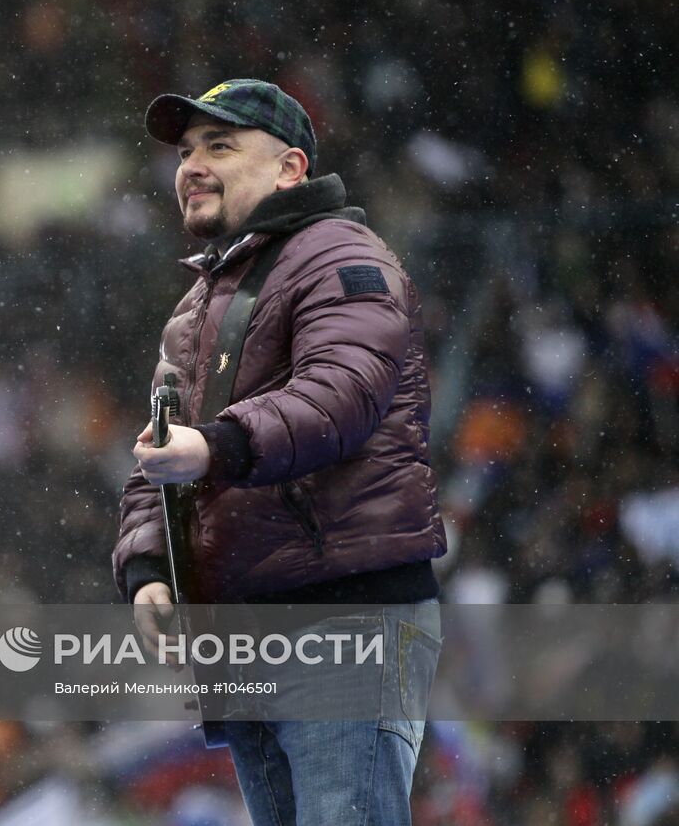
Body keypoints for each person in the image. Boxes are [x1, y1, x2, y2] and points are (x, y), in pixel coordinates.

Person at [111, 78, 448, 824]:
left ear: (291, 168)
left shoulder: (340, 255)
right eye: (186, 150)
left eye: (220, 146)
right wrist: (146, 571)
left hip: (344, 622)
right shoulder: (199, 305)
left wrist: (216, 446)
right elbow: (157, 452)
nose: (191, 164)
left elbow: (342, 392)